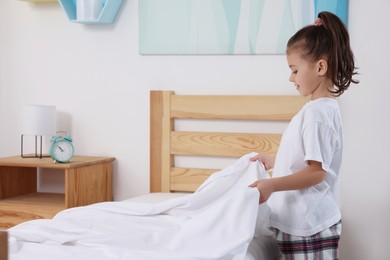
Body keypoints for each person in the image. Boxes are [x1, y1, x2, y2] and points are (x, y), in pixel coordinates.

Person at [249, 11, 359, 259]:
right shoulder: (320, 110)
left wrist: (273, 185)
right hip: (301, 222)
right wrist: (275, 161)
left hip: (309, 226)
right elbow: (310, 159)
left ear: (320, 66)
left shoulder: (317, 115)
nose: (291, 77)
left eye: (295, 70)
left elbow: (317, 172)